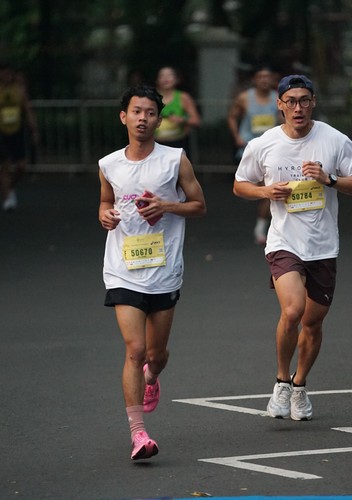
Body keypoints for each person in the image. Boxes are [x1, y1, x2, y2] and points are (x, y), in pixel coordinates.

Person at [233, 75, 352, 421]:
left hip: (323, 245)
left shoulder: (334, 140)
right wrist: (265, 192)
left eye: (305, 100)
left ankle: (299, 385)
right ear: (279, 104)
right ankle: (281, 381)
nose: (298, 108)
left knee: (312, 323)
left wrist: (330, 179)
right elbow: (240, 185)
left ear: (313, 102)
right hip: (284, 242)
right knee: (293, 311)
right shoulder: (264, 144)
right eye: (291, 101)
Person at [98, 84, 206, 460]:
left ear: (159, 120)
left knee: (155, 354)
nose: (142, 118)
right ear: (123, 117)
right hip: (123, 269)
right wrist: (105, 215)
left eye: (150, 112)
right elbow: (105, 201)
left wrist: (167, 206)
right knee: (135, 349)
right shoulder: (109, 164)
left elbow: (199, 205)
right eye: (136, 111)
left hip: (163, 269)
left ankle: (152, 376)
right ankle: (138, 434)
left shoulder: (175, 160)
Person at [227, 66, 281, 245]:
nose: (264, 80)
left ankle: (261, 227)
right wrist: (237, 136)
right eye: (261, 76)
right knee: (258, 188)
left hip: (272, 148)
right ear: (254, 80)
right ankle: (262, 216)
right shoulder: (244, 97)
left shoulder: (278, 97)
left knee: (268, 188)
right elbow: (232, 116)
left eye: (268, 76)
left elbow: (283, 119)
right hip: (250, 147)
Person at [0, 62, 39, 211]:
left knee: (21, 166)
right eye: (3, 74)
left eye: (8, 73)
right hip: (0, 132)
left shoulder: (19, 90)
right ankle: (7, 197)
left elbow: (27, 109)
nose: (6, 76)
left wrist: (33, 129)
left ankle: (10, 186)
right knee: (5, 165)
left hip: (16, 131)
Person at [154, 66, 201, 158]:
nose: (166, 78)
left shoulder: (184, 97)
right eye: (162, 76)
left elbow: (196, 121)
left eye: (169, 75)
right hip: (155, 144)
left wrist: (181, 119)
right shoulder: (152, 97)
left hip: (178, 144)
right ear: (157, 80)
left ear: (176, 79)